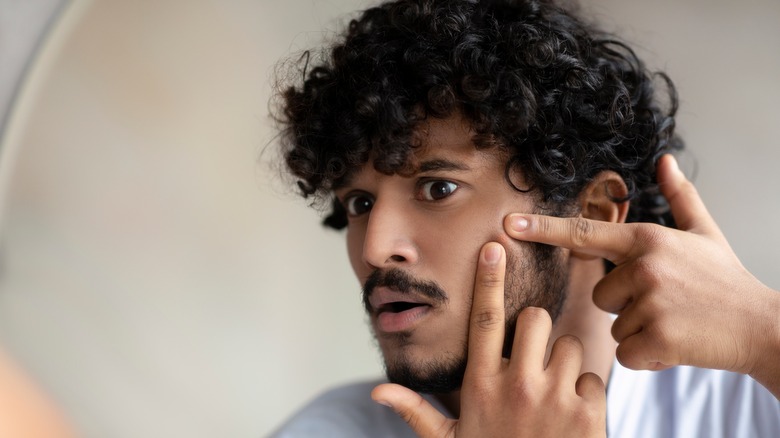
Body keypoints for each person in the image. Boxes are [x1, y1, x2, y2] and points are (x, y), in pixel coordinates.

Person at [270, 0, 780, 436]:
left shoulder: (750, 398)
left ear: (593, 211)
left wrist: (766, 331)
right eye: (360, 203)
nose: (375, 249)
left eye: (438, 188)